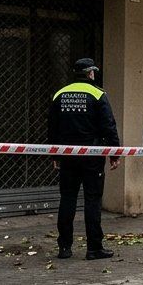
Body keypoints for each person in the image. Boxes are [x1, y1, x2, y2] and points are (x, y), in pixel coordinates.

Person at [47, 58, 120, 260]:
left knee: (68, 199)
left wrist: (55, 153)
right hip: (92, 156)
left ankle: (64, 247)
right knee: (92, 200)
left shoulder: (60, 94)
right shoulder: (98, 94)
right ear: (91, 74)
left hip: (67, 155)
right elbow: (109, 126)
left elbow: (52, 127)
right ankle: (94, 248)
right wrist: (114, 153)